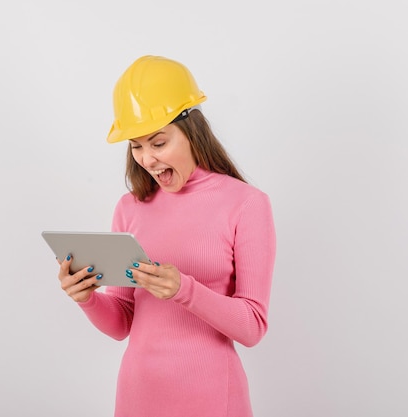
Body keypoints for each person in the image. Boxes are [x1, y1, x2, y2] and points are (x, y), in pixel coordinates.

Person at [57, 55, 276, 417]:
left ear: (192, 132)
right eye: (136, 146)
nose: (146, 159)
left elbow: (252, 327)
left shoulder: (247, 204)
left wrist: (183, 290)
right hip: (138, 394)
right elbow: (122, 323)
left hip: (211, 397)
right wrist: (87, 298)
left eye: (158, 143)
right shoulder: (130, 207)